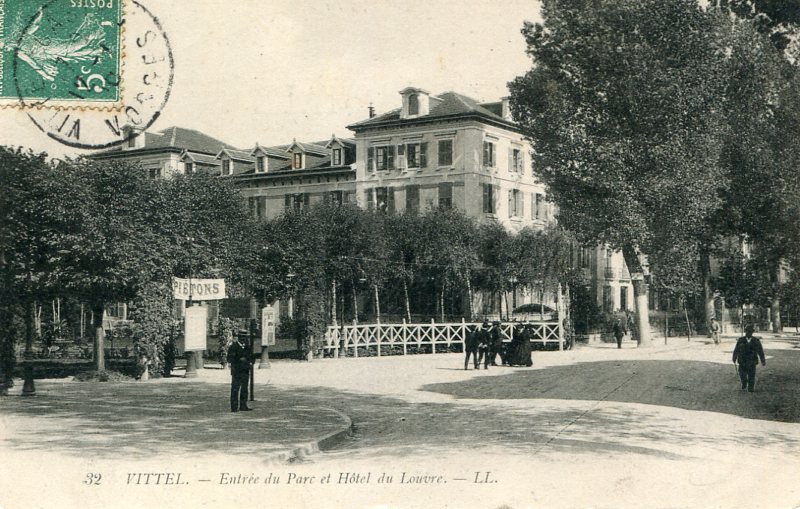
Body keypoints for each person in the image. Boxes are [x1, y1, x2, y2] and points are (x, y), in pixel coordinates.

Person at [732, 324, 766, 393]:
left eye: (750, 332)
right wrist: (734, 357)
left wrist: (763, 360)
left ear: (752, 332)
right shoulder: (741, 340)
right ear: (745, 332)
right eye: (747, 331)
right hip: (742, 360)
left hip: (752, 361)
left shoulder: (756, 341)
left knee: (751, 375)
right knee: (742, 374)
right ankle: (744, 383)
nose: (748, 333)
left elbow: (760, 351)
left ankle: (751, 387)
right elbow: (736, 349)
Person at [227, 331, 252, 412]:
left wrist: (249, 361)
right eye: (242, 337)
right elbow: (229, 358)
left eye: (245, 337)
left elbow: (251, 357)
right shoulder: (233, 346)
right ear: (239, 337)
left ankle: (243, 405)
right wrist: (239, 359)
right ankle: (234, 407)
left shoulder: (247, 347)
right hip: (237, 371)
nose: (243, 339)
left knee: (244, 388)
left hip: (245, 370)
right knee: (235, 388)